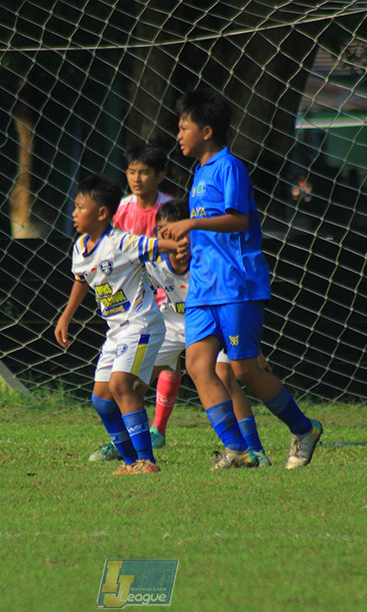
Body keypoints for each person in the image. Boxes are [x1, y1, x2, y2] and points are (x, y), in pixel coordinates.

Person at [167, 87, 322, 471]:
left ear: (206, 131)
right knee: (197, 365)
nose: (178, 135)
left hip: (236, 284)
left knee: (243, 369)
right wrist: (186, 242)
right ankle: (237, 448)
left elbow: (238, 220)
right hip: (203, 287)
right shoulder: (199, 173)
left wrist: (191, 224)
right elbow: (208, 229)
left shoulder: (229, 167)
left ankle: (304, 429)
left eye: (184, 128)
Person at [54, 174, 180, 475]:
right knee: (101, 400)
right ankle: (130, 462)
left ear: (101, 213)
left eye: (80, 207)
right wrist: (66, 316)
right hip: (116, 331)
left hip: (141, 323)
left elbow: (160, 245)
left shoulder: (122, 242)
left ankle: (147, 461)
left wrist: (181, 238)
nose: (74, 213)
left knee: (121, 385)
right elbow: (82, 279)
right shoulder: (80, 246)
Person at [146, 199, 275, 467]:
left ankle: (254, 449)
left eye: (180, 233)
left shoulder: (208, 264)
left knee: (225, 376)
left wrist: (255, 349)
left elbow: (234, 309)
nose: (175, 241)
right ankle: (130, 448)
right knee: (133, 379)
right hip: (174, 324)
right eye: (166, 233)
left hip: (213, 326)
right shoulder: (152, 264)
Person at [89, 141, 180, 461]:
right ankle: (132, 441)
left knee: (202, 369)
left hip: (170, 299)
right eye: (131, 172)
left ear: (160, 176)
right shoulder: (121, 210)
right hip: (137, 302)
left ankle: (154, 432)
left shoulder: (172, 209)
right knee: (130, 383)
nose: (136, 178)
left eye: (144, 172)